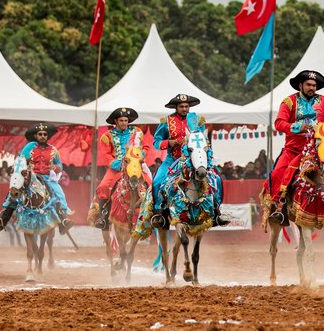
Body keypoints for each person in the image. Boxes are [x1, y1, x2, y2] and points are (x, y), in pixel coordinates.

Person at [264, 70, 324, 228]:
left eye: (314, 85)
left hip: (317, 151)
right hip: (294, 149)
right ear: (300, 85)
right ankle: (280, 209)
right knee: (278, 173)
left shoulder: (323, 101)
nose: (311, 87)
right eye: (308, 85)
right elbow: (279, 123)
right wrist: (299, 126)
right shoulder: (289, 102)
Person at [150, 93, 229, 228]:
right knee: (157, 181)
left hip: (195, 160)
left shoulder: (197, 121)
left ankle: (216, 211)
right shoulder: (166, 122)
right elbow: (156, 142)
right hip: (172, 160)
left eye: (187, 106)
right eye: (182, 106)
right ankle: (160, 212)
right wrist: (170, 142)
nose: (185, 109)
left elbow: (203, 140)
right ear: (176, 107)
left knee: (216, 179)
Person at [0, 123, 73, 234]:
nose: (43, 136)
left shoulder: (53, 150)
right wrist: (23, 165)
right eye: (40, 134)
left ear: (48, 136)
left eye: (45, 134)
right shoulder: (29, 147)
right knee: (15, 189)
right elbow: (21, 159)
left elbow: (60, 165)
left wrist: (55, 167)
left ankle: (63, 221)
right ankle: (3, 217)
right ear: (36, 136)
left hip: (47, 178)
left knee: (59, 194)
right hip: (31, 176)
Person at [89, 107, 151, 229]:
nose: (124, 123)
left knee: (150, 184)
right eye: (121, 120)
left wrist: (140, 157)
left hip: (135, 166)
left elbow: (146, 147)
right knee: (103, 187)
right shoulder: (106, 136)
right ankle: (102, 216)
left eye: (126, 120)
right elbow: (106, 155)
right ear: (116, 121)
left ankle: (152, 214)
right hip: (116, 168)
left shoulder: (137, 132)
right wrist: (118, 164)